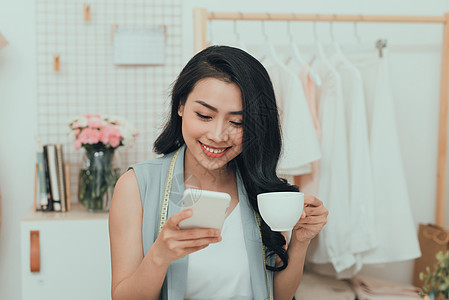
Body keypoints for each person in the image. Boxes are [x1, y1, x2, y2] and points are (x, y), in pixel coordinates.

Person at [109, 45, 328, 300]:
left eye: (237, 122)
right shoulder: (137, 186)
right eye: (204, 115)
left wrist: (301, 242)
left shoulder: (261, 188)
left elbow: (275, 295)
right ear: (180, 105)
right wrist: (159, 256)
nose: (217, 135)